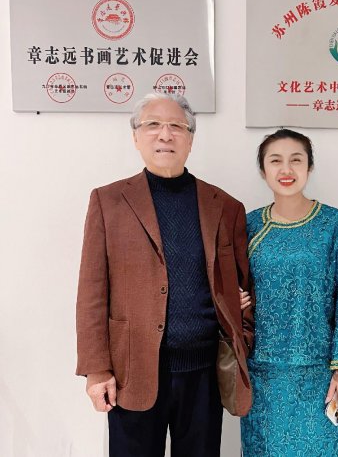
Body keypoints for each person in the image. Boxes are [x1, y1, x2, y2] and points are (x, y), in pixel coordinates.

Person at [76, 93, 254, 457]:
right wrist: (96, 369)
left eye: (177, 126)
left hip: (205, 373)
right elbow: (92, 292)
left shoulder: (226, 206)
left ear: (190, 139)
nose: (165, 134)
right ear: (135, 136)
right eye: (153, 125)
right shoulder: (108, 201)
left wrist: (242, 337)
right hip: (132, 372)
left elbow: (243, 287)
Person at [239, 129, 338, 456]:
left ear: (309, 167)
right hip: (263, 374)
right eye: (276, 161)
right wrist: (235, 302)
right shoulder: (248, 226)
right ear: (263, 170)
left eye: (296, 160)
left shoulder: (335, 225)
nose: (286, 169)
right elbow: (229, 285)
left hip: (318, 374)